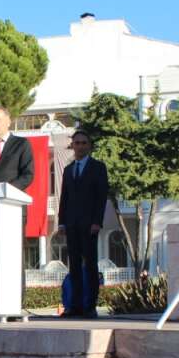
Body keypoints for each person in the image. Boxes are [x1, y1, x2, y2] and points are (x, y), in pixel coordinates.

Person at [56, 130, 111, 318]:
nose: (80, 146)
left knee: (90, 265)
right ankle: (75, 305)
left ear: (89, 145)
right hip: (71, 225)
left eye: (83, 143)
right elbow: (64, 197)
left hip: (89, 225)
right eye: (77, 143)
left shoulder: (98, 167)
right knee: (74, 266)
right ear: (73, 145)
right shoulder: (69, 169)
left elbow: (101, 197)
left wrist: (97, 221)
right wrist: (61, 222)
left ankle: (90, 305)